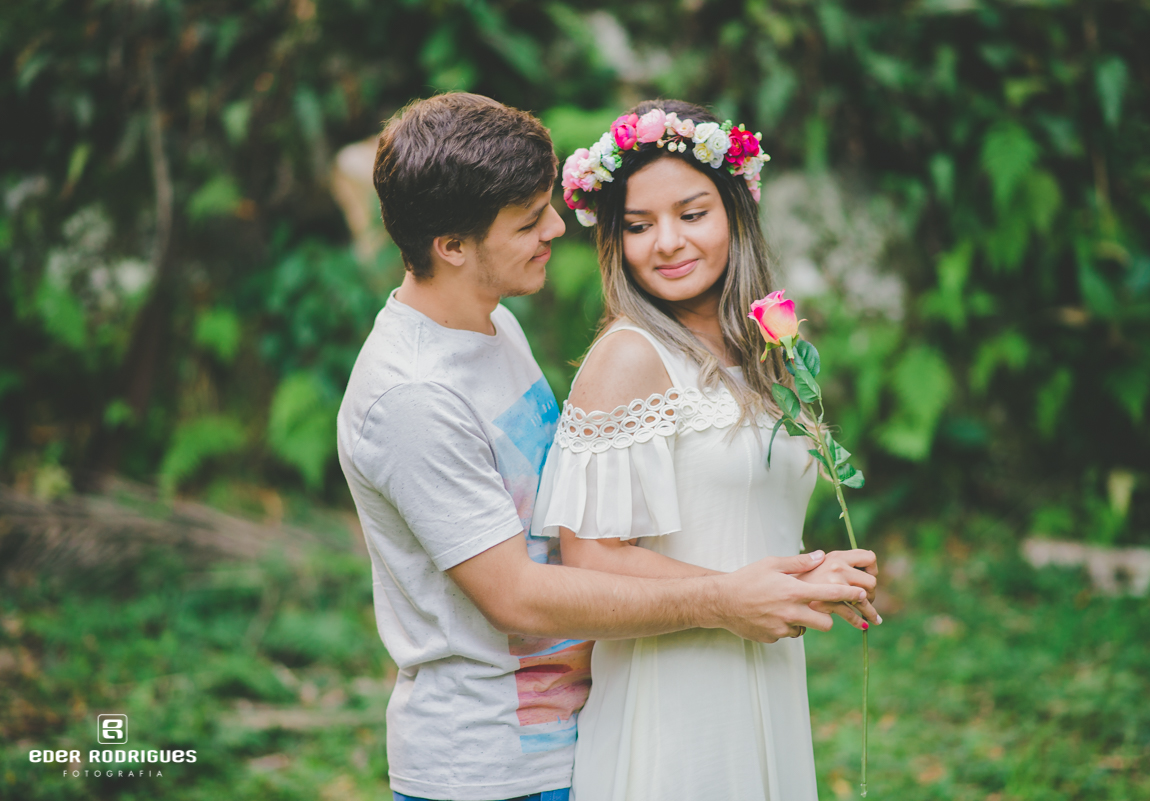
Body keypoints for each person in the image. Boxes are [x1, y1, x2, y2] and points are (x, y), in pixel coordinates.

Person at [336, 92, 874, 801]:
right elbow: (519, 596)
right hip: (489, 771)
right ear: (453, 247)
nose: (559, 226)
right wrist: (726, 598)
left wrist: (783, 577)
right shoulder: (410, 396)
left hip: (569, 735)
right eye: (530, 221)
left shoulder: (494, 327)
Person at [530, 99, 882, 801]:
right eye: (638, 224)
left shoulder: (764, 351)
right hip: (675, 692)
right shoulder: (628, 357)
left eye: (691, 214)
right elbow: (592, 559)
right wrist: (732, 597)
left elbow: (733, 523)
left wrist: (808, 572)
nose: (666, 242)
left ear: (734, 213)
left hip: (762, 670)